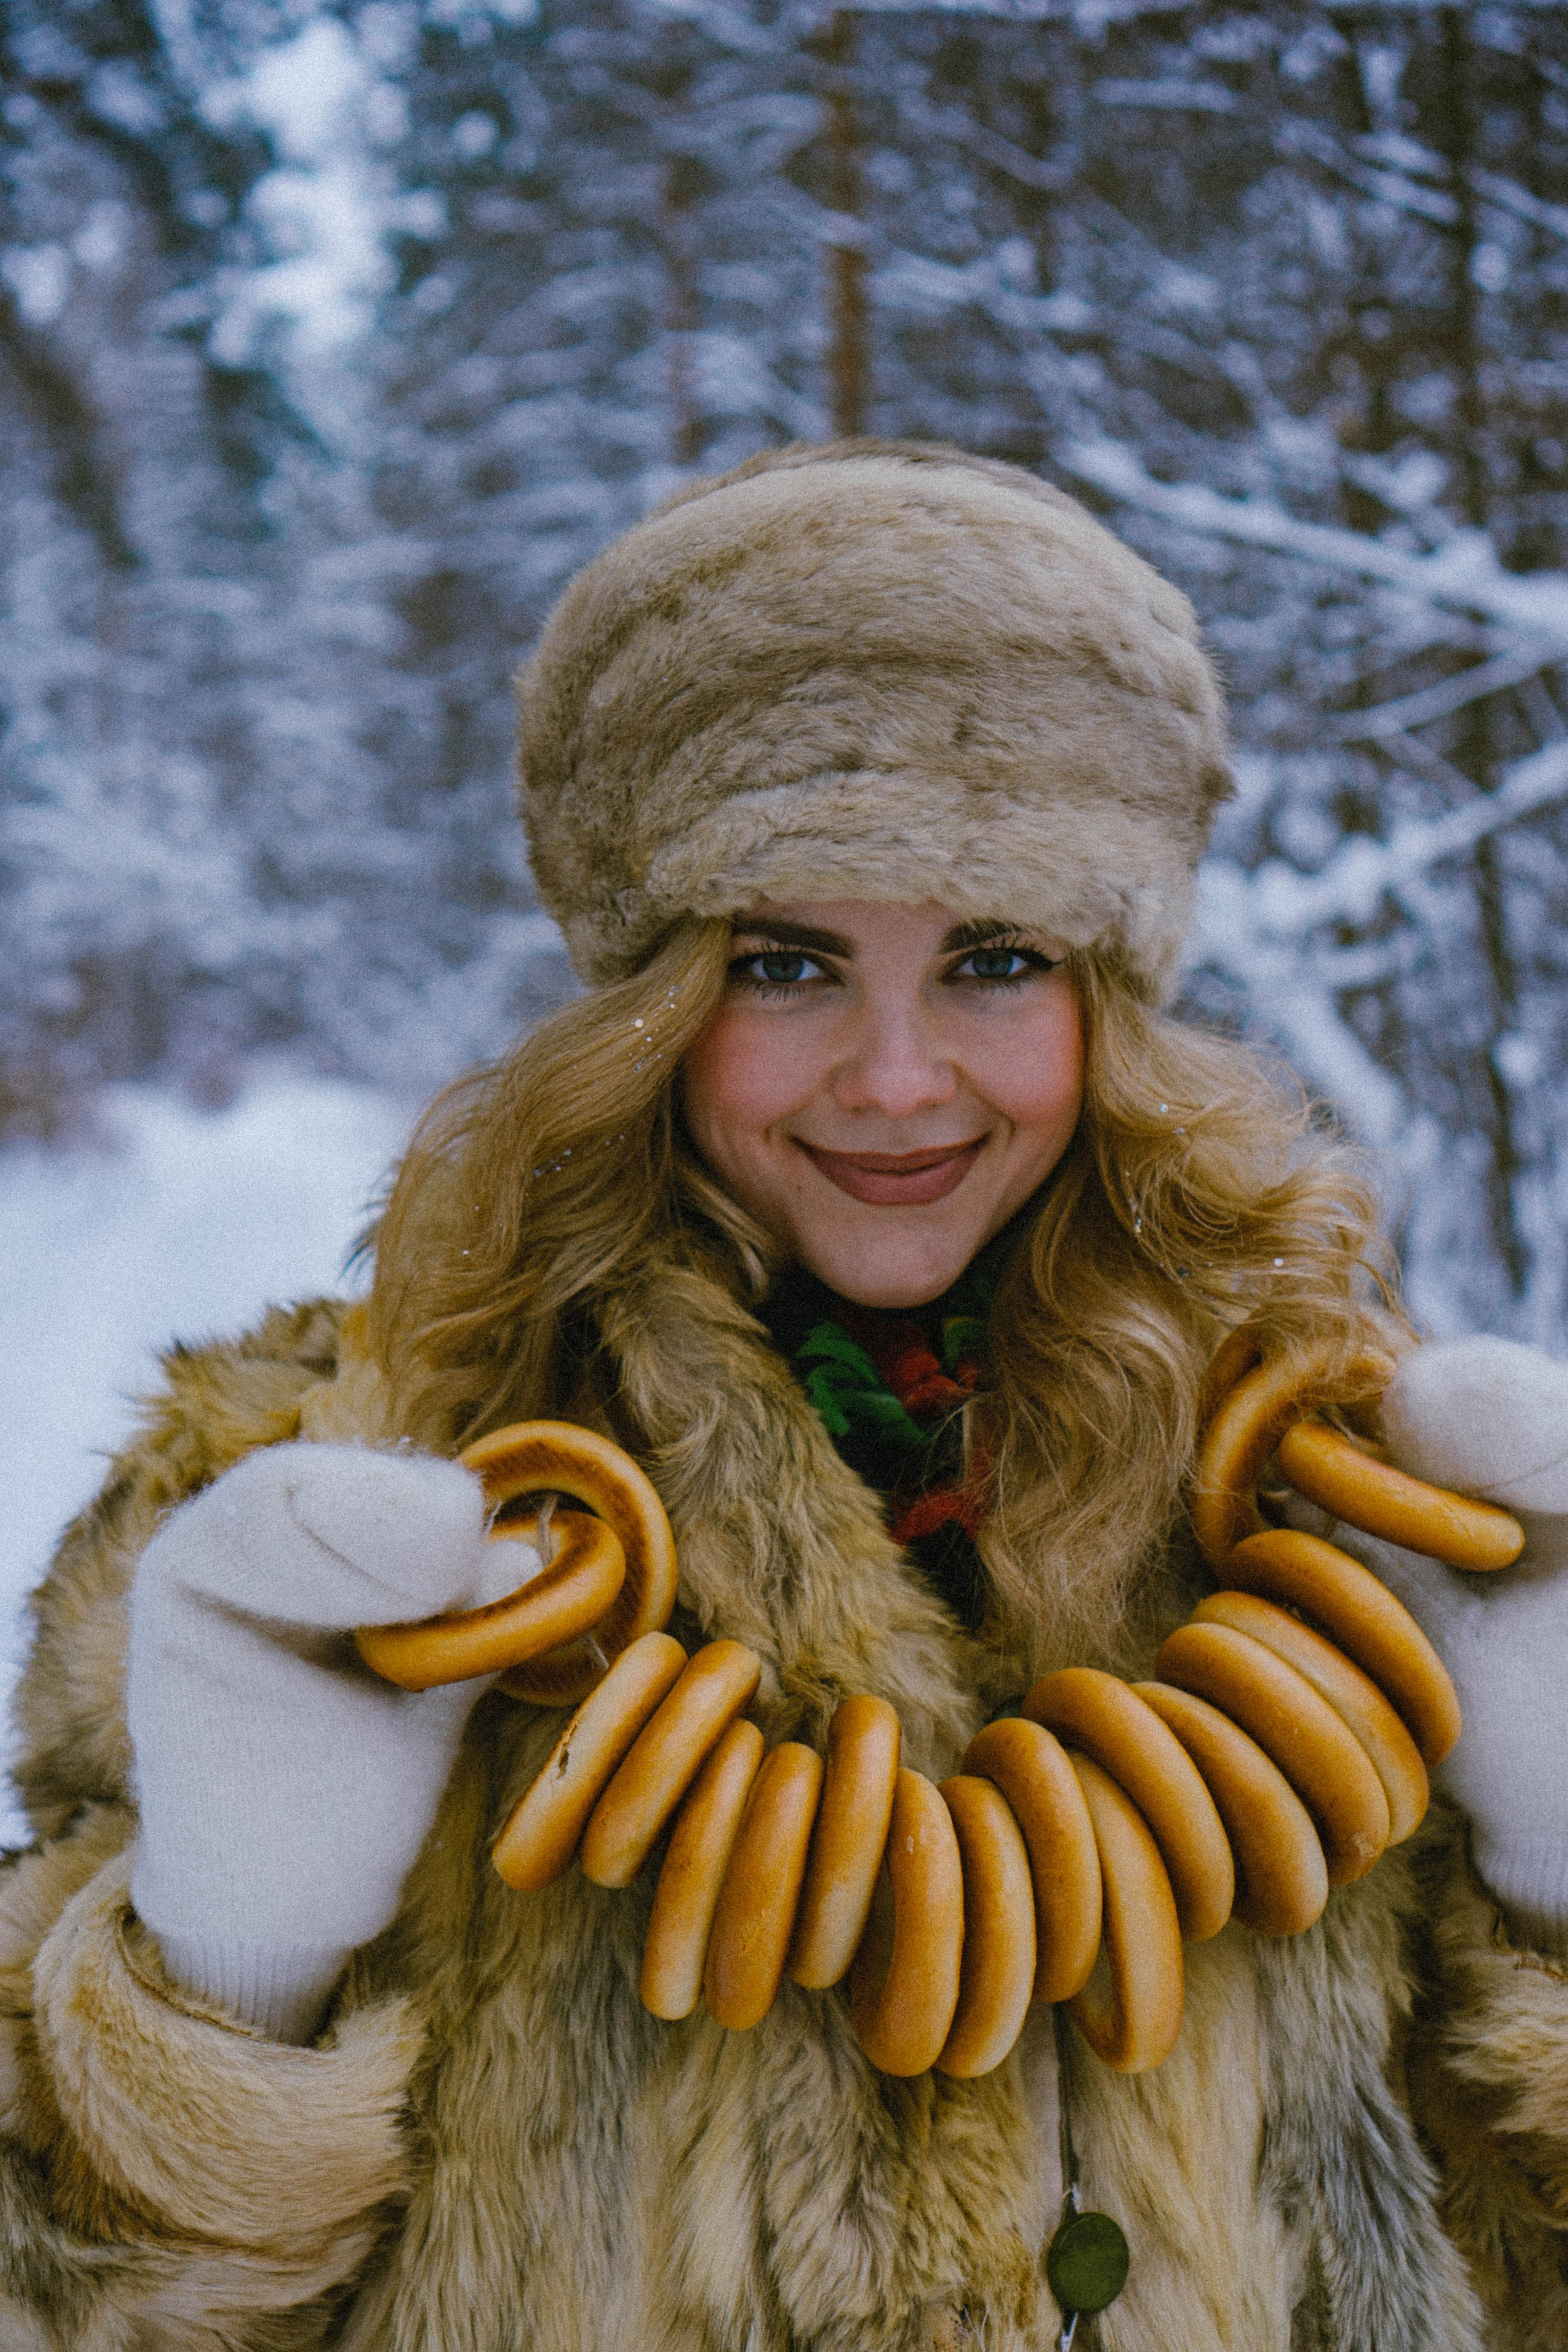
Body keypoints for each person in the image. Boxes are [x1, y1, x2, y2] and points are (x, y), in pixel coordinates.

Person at [6, 440, 1568, 2351]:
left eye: (992, 961)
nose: (896, 1080)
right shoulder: (320, 1518)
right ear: (652, 994)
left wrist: (1558, 1888)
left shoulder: (1364, 1514)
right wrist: (225, 1981)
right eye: (789, 962)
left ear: (1110, 999)